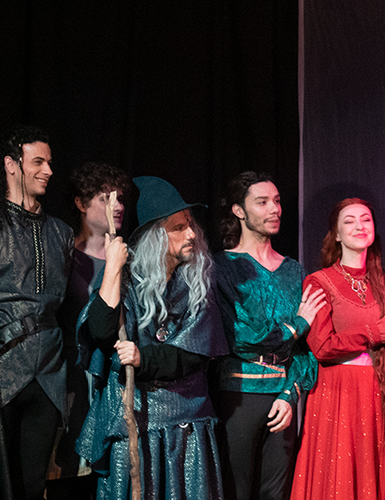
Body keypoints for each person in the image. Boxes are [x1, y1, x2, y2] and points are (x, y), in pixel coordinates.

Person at [76, 176, 228, 499]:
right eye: (178, 228)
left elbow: (195, 351)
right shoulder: (126, 277)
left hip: (187, 422)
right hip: (135, 418)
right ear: (155, 236)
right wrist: (112, 268)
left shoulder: (197, 282)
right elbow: (101, 332)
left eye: (190, 225)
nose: (191, 234)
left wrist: (143, 358)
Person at [211, 171, 324, 500]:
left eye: (276, 201)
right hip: (238, 395)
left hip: (282, 397)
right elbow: (241, 337)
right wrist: (297, 325)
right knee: (235, 490)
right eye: (262, 202)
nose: (274, 209)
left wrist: (290, 394)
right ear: (239, 210)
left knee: (276, 493)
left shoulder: (294, 270)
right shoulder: (222, 267)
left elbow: (307, 349)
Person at [291, 198, 385, 500]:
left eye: (366, 219)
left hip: (377, 392)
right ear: (336, 235)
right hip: (339, 393)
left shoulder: (382, 282)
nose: (359, 226)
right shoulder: (319, 281)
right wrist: (379, 329)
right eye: (349, 221)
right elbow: (323, 347)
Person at [0, 125, 73, 500]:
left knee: (33, 485)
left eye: (49, 162)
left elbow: (65, 306)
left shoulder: (61, 233)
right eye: (38, 161)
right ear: (12, 164)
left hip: (48, 374)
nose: (48, 170)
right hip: (1, 370)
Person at [49, 162, 130, 499]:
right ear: (81, 203)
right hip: (71, 374)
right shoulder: (64, 254)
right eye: (105, 198)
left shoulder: (128, 257)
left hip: (114, 375)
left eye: (119, 198)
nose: (117, 205)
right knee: (69, 468)